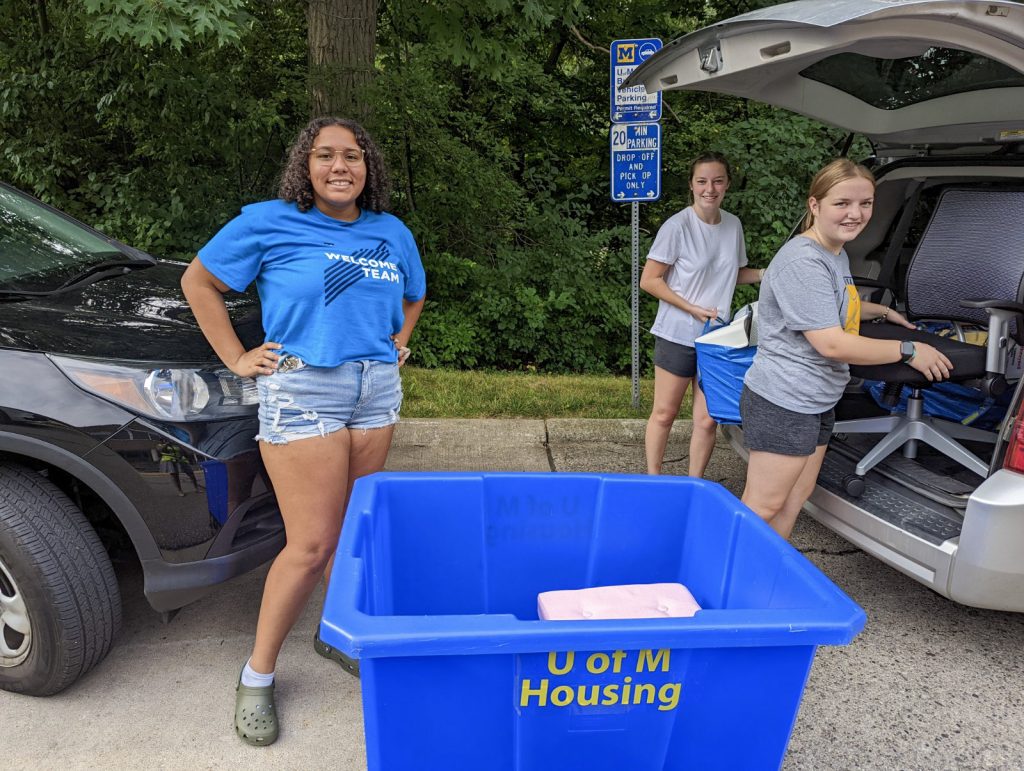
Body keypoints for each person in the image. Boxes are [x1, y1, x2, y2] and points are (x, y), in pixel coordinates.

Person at [180, 116, 426, 747]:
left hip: (375, 393)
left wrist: (396, 344)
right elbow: (198, 282)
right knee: (310, 545)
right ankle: (257, 675)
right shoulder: (269, 221)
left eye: (352, 156)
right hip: (303, 391)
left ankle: (340, 635)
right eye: (326, 155)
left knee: (350, 535)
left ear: (368, 167)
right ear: (307, 166)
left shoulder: (390, 231)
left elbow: (414, 296)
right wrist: (237, 358)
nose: (340, 166)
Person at [739, 158, 951, 539]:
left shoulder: (834, 252)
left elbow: (833, 303)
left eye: (866, 203)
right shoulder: (802, 261)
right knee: (762, 506)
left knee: (794, 499)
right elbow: (831, 343)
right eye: (843, 204)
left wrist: (884, 311)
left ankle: (762, 587)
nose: (856, 214)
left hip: (817, 399)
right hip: (785, 401)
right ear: (815, 205)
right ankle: (710, 587)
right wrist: (909, 350)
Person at [641, 152, 762, 477]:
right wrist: (692, 307)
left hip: (719, 339)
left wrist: (767, 273)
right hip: (678, 334)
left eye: (718, 181)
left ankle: (694, 484)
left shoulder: (733, 224)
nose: (710, 188)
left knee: (707, 418)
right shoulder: (677, 226)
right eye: (702, 181)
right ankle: (654, 481)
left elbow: (732, 273)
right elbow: (649, 280)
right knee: (665, 414)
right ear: (692, 186)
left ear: (727, 185)